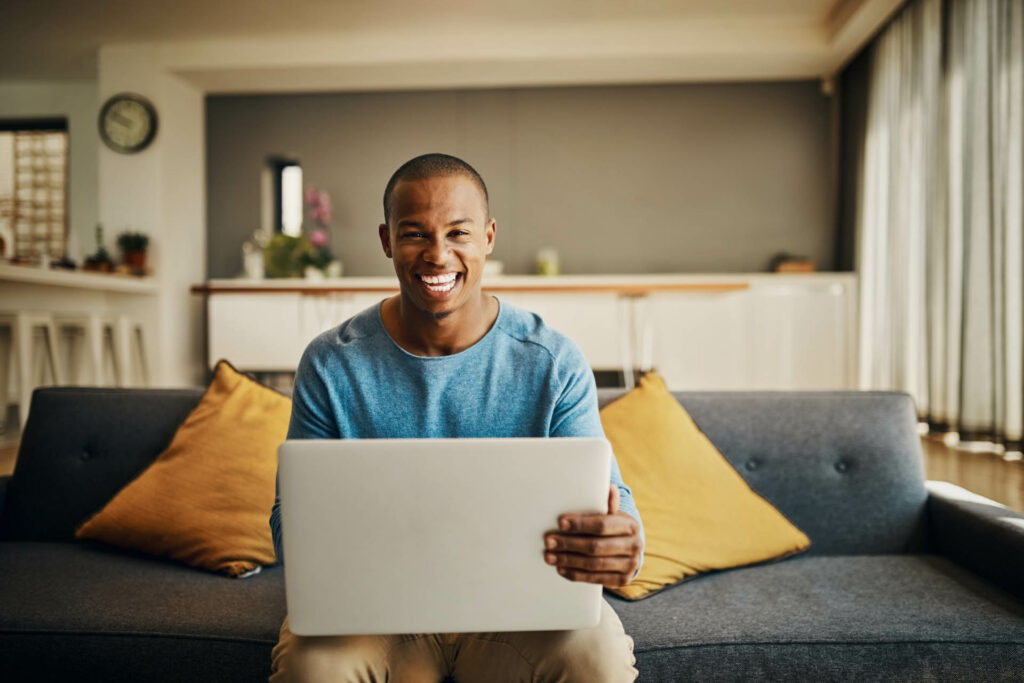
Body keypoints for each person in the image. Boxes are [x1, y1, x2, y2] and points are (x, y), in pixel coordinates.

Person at [268, 153, 644, 682]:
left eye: (458, 233)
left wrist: (625, 542)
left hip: (518, 616)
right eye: (415, 234)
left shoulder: (552, 360)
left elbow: (612, 500)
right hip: (372, 617)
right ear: (386, 241)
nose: (437, 255)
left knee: (596, 659)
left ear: (488, 237)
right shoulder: (332, 363)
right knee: (315, 668)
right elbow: (290, 527)